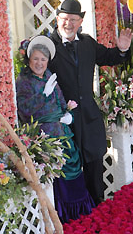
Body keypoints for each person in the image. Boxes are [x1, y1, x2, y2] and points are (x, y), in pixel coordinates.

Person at [48, 0, 133, 205]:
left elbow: (109, 57)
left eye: (73, 20)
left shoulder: (87, 43)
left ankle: (97, 204)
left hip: (89, 113)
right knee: (71, 163)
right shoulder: (48, 46)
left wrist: (121, 50)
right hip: (64, 117)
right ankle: (75, 210)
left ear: (80, 21)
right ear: (57, 19)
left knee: (95, 159)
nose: (68, 24)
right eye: (64, 19)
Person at [15, 35, 95, 223]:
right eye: (36, 59)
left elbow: (60, 101)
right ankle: (64, 218)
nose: (39, 63)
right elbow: (24, 109)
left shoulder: (50, 76)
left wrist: (68, 114)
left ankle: (80, 214)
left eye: (43, 59)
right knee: (58, 179)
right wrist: (43, 95)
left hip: (62, 132)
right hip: (44, 137)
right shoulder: (24, 80)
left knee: (74, 171)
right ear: (29, 59)